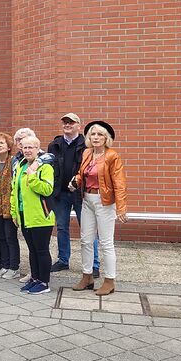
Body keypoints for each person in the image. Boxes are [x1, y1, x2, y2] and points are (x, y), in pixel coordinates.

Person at [69, 121, 128, 296]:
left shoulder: (112, 156)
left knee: (106, 242)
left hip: (105, 202)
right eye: (93, 134)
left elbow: (119, 183)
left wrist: (121, 208)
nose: (95, 137)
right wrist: (75, 181)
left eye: (99, 134)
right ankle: (87, 276)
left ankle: (110, 280)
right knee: (86, 240)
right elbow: (82, 173)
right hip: (86, 199)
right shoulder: (87, 153)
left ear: (106, 138)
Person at [48, 113, 100, 277]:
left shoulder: (87, 145)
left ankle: (94, 264)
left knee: (88, 229)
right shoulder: (54, 144)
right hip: (60, 194)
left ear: (79, 125)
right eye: (64, 122)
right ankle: (63, 260)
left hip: (80, 194)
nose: (67, 125)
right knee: (62, 227)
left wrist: (77, 183)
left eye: (71, 122)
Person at [11, 135, 55, 295]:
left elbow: (47, 189)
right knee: (32, 250)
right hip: (24, 215)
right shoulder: (20, 165)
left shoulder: (45, 168)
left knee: (41, 250)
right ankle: (35, 279)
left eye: (31, 147)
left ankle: (44, 282)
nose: (27, 150)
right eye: (25, 147)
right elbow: (15, 191)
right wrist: (14, 212)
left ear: (38, 149)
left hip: (41, 216)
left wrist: (32, 176)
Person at [0, 133, 20, 280]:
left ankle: (14, 267)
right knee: (1, 237)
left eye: (2, 143)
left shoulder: (14, 161)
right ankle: (4, 265)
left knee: (10, 237)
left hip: (10, 205)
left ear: (8, 147)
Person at [12, 127, 36, 283]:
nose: (21, 142)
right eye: (19, 140)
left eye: (25, 139)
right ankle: (33, 273)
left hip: (36, 208)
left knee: (38, 246)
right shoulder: (18, 160)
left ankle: (39, 276)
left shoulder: (41, 158)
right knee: (29, 244)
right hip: (21, 207)